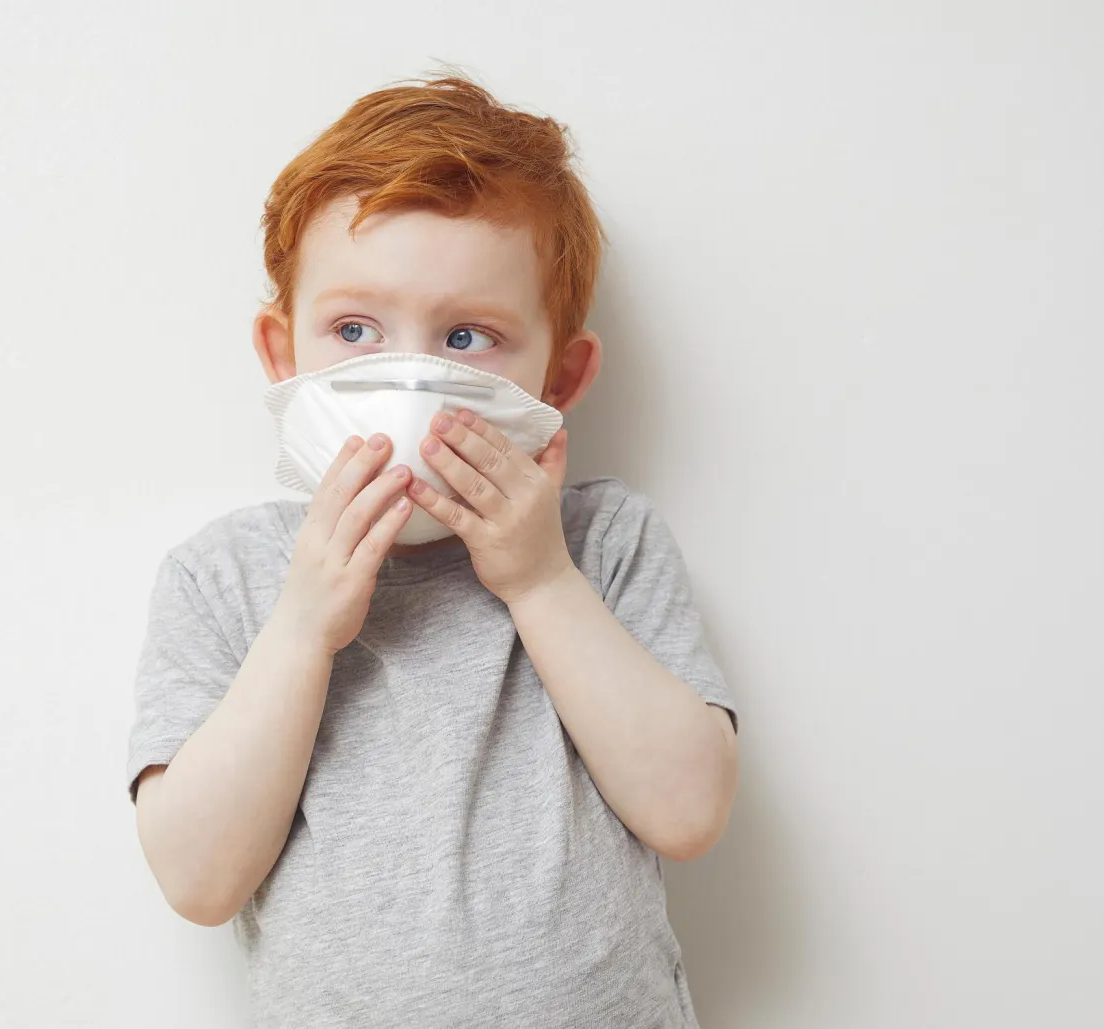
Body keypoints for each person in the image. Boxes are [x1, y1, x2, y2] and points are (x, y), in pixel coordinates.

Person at [124, 72, 740, 1027]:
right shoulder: (226, 576)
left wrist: (539, 580)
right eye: (355, 330)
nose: (409, 379)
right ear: (283, 354)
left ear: (561, 374)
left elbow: (689, 810)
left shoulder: (605, 543)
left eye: (467, 335)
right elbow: (199, 879)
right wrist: (300, 627)